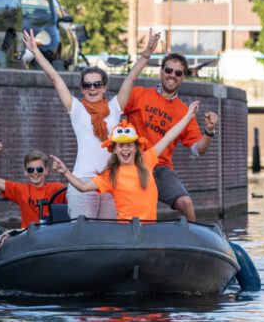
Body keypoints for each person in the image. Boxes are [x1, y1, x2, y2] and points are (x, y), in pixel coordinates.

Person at [22, 28, 161, 220]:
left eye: (97, 84)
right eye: (87, 85)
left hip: (111, 180)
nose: (92, 88)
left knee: (109, 235)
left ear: (104, 87)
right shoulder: (77, 109)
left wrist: (146, 54)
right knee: (83, 234)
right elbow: (55, 78)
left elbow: (131, 77)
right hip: (83, 181)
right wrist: (36, 52)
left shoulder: (114, 108)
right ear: (82, 88)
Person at [50, 101, 201, 221]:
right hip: (125, 233)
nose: (125, 150)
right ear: (115, 150)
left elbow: (168, 136)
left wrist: (188, 116)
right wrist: (65, 172)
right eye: (121, 146)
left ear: (136, 148)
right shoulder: (111, 174)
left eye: (129, 145)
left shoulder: (147, 160)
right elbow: (83, 187)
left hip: (149, 231)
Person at [123, 53, 219, 221]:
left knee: (185, 203)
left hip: (160, 168)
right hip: (130, 163)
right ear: (161, 71)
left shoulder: (184, 112)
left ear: (183, 77)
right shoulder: (138, 95)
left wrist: (209, 131)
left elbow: (198, 150)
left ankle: (191, 241)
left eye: (178, 73)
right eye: (169, 70)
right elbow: (114, 109)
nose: (172, 75)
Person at [0, 141, 67, 228]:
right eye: (30, 169)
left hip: (51, 236)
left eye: (39, 169)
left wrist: (65, 172)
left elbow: (78, 192)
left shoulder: (57, 188)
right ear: (25, 172)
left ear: (46, 170)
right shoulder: (21, 190)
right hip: (29, 237)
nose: (35, 172)